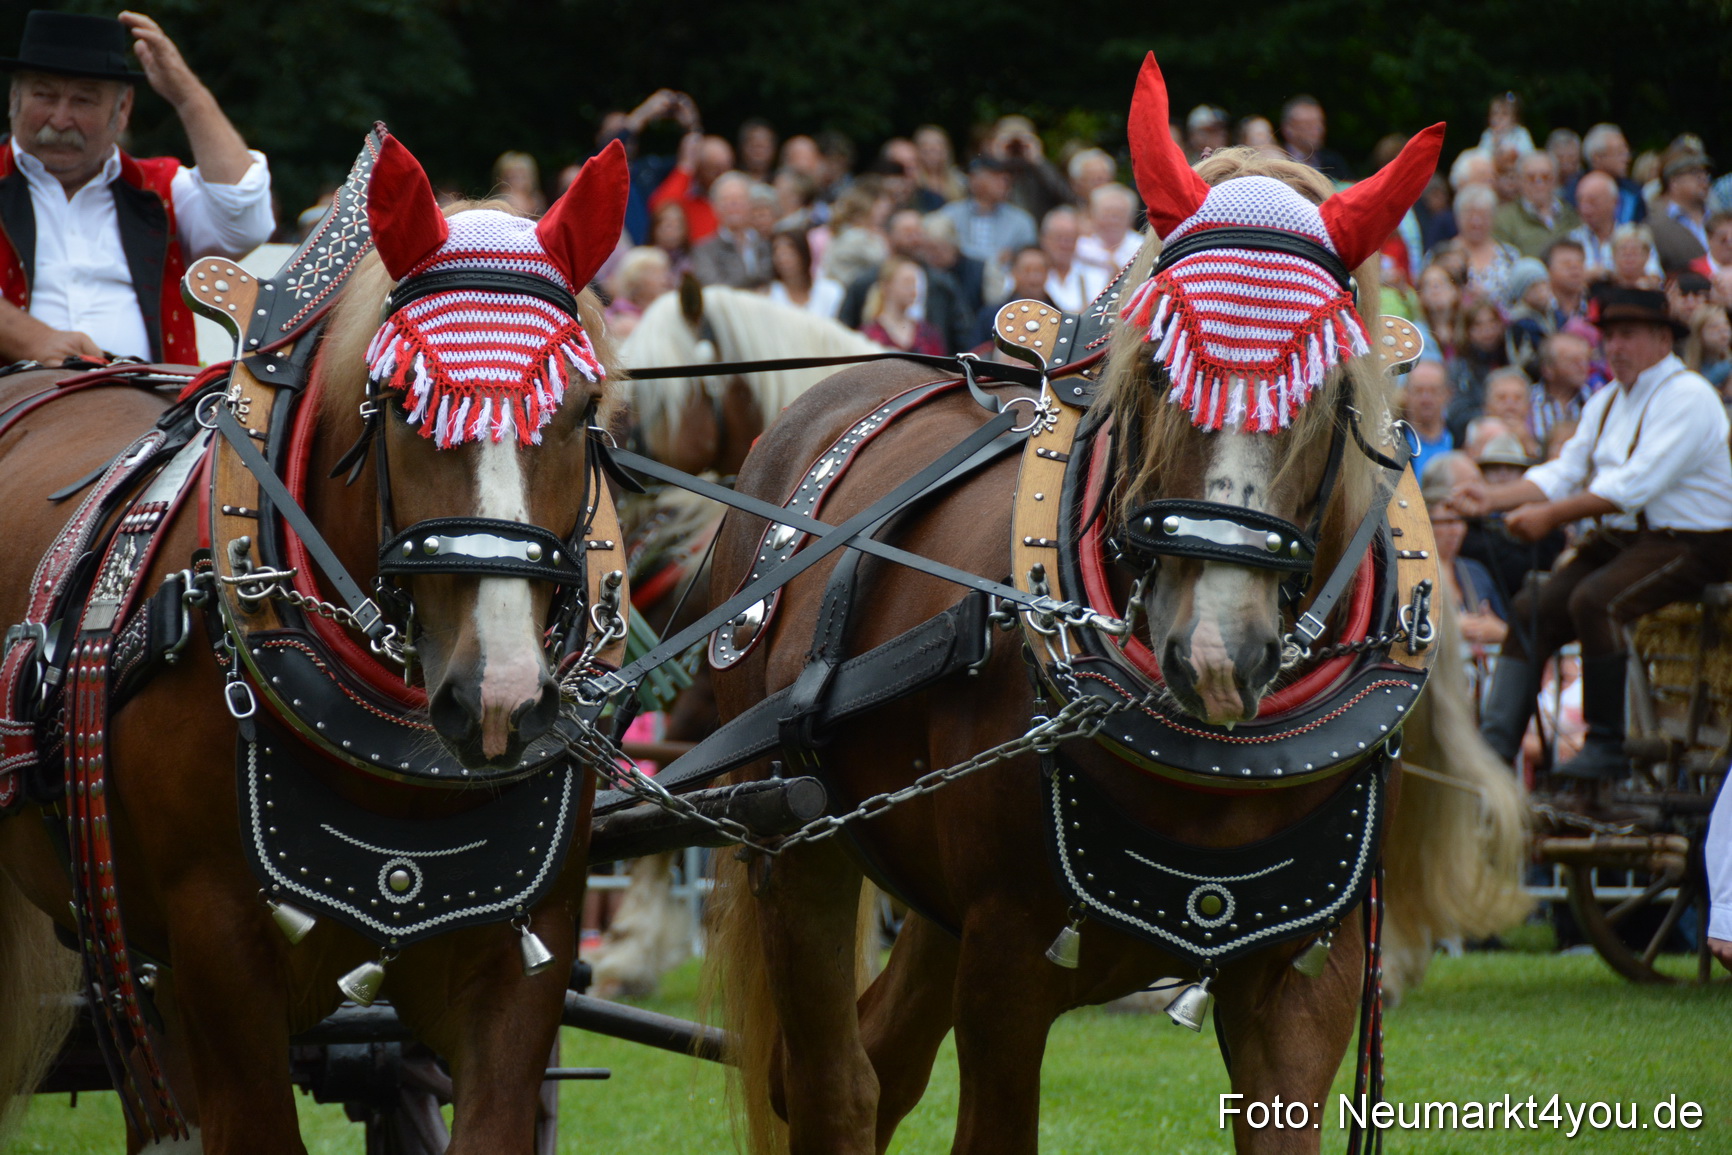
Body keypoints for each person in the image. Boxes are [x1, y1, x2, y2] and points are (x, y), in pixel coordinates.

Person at [1456, 285, 1732, 779]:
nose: (1615, 347)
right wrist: (1490, 499)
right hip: (1632, 539)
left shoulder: (1690, 396)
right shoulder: (1606, 400)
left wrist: (1550, 517)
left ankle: (1607, 745)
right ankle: (1493, 754)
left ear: (1662, 339)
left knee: (1596, 600)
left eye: (1628, 335)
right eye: (1609, 337)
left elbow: (1632, 485)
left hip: (1698, 542)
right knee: (1531, 608)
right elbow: (1563, 470)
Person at [0, 10, 273, 364]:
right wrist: (30, 340)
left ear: (123, 108)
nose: (60, 119)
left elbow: (245, 222)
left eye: (84, 100)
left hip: (153, 411)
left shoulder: (160, 189)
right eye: (44, 96)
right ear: (13, 99)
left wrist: (188, 97)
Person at [937, 156, 1037, 279]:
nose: (1004, 183)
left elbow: (1029, 259)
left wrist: (963, 252)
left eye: (1006, 178)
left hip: (1004, 284)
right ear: (975, 180)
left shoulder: (1021, 221)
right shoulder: (950, 214)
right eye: (996, 177)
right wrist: (995, 258)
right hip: (960, 281)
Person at [687, 172, 770, 289]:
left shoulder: (767, 244)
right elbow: (714, 287)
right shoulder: (704, 251)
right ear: (715, 208)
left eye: (739, 199)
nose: (733, 205)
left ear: (751, 204)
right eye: (726, 201)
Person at [1493, 151, 1580, 258]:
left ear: (1555, 180)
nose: (1539, 184)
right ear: (1520, 181)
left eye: (1545, 177)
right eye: (1531, 178)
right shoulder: (1504, 220)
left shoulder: (1571, 214)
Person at [861, 255, 945, 355]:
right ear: (887, 286)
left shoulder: (928, 334)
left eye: (914, 284)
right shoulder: (870, 334)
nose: (913, 290)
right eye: (906, 282)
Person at [1648, 149, 1712, 274]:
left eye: (1705, 172)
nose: (1703, 178)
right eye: (1694, 173)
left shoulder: (1719, 218)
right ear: (1674, 183)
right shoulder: (1656, 225)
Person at [1529, 331, 1595, 449]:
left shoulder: (1595, 401)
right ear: (1548, 369)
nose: (1582, 366)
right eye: (1572, 361)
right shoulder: (1527, 400)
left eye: (1584, 360)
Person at [765, 227, 842, 319]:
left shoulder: (831, 291)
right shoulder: (769, 297)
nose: (784, 259)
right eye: (779, 253)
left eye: (790, 253)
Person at [1574, 124, 1646, 224]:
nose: (1627, 159)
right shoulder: (1575, 190)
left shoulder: (1633, 193)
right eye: (1619, 152)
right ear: (1597, 157)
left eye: (1626, 152)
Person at [1074, 182, 1142, 284]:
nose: (1112, 221)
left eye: (1119, 215)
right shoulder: (1079, 247)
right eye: (1106, 214)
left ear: (1130, 218)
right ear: (1093, 215)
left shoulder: (1142, 247)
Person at [1399, 358, 1454, 478]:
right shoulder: (1393, 443)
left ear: (1447, 394)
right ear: (1406, 393)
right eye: (1418, 391)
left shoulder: (1461, 439)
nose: (1426, 399)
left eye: (1434, 391)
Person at [603, 246, 671, 339]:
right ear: (635, 279)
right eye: (655, 273)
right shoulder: (617, 317)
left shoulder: (666, 311)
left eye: (664, 272)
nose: (664, 280)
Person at [1278, 94, 1350, 181]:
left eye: (1319, 123)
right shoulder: (1277, 161)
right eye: (1308, 125)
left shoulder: (1333, 162)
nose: (1317, 130)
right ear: (1288, 129)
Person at [1682, 302, 1731, 390]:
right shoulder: (1686, 370)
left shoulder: (1728, 367)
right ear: (1699, 334)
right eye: (1714, 326)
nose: (1723, 330)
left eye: (1726, 324)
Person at [491, 150, 546, 217]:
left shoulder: (538, 202)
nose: (517, 182)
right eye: (512, 177)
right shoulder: (497, 206)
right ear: (501, 179)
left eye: (522, 176)